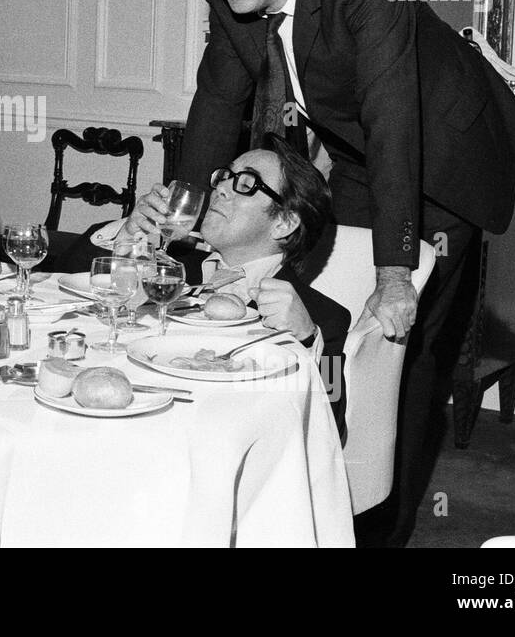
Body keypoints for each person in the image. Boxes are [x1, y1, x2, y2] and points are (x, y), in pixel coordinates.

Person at [177, 0, 515, 545]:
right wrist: (179, 211)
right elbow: (217, 102)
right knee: (323, 299)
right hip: (361, 153)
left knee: (407, 348)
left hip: (446, 155)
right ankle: (316, 490)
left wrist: (396, 271)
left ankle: (383, 530)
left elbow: (396, 123)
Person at [107, 136, 349, 436]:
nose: (220, 188)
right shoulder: (167, 273)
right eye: (226, 176)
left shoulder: (320, 316)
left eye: (246, 183)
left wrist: (310, 340)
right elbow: (70, 277)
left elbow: (331, 424)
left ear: (284, 223)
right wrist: (128, 236)